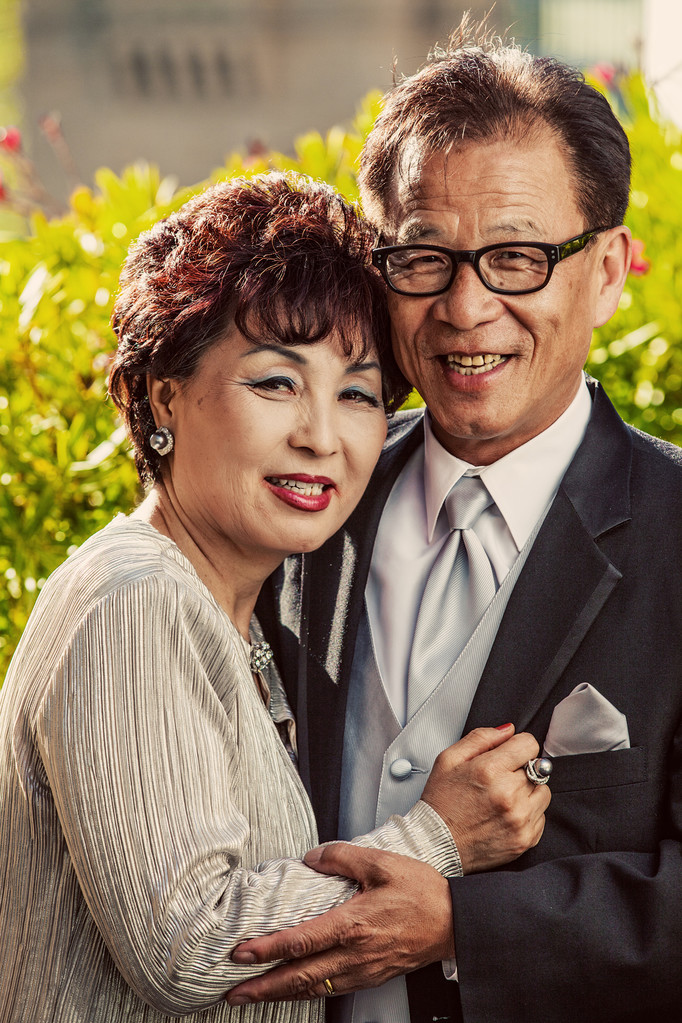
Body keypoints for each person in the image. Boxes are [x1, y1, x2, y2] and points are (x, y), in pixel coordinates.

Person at [0, 172, 549, 1023]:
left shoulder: (248, 614)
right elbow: (186, 947)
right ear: (164, 396)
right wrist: (436, 839)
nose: (321, 435)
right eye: (275, 383)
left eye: (358, 393)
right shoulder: (133, 600)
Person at [234, 24, 682, 1023]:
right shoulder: (293, 502)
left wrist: (465, 928)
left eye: (517, 258)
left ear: (607, 270)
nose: (466, 309)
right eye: (424, 258)